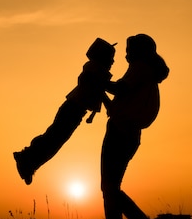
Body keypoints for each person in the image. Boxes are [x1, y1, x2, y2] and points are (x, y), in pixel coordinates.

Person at [95, 33, 169, 219]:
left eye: (129, 50)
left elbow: (121, 90)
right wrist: (102, 90)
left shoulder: (140, 68)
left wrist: (99, 82)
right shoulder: (144, 72)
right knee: (110, 188)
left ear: (139, 51)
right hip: (127, 132)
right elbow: (118, 104)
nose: (125, 54)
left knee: (110, 189)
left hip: (121, 132)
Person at [13, 38, 117, 185]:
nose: (113, 62)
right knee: (54, 139)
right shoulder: (94, 70)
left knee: (54, 139)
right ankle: (27, 157)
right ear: (102, 57)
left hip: (74, 111)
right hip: (73, 110)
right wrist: (109, 103)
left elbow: (99, 88)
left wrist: (107, 103)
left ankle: (30, 162)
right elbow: (99, 87)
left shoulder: (94, 70)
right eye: (111, 58)